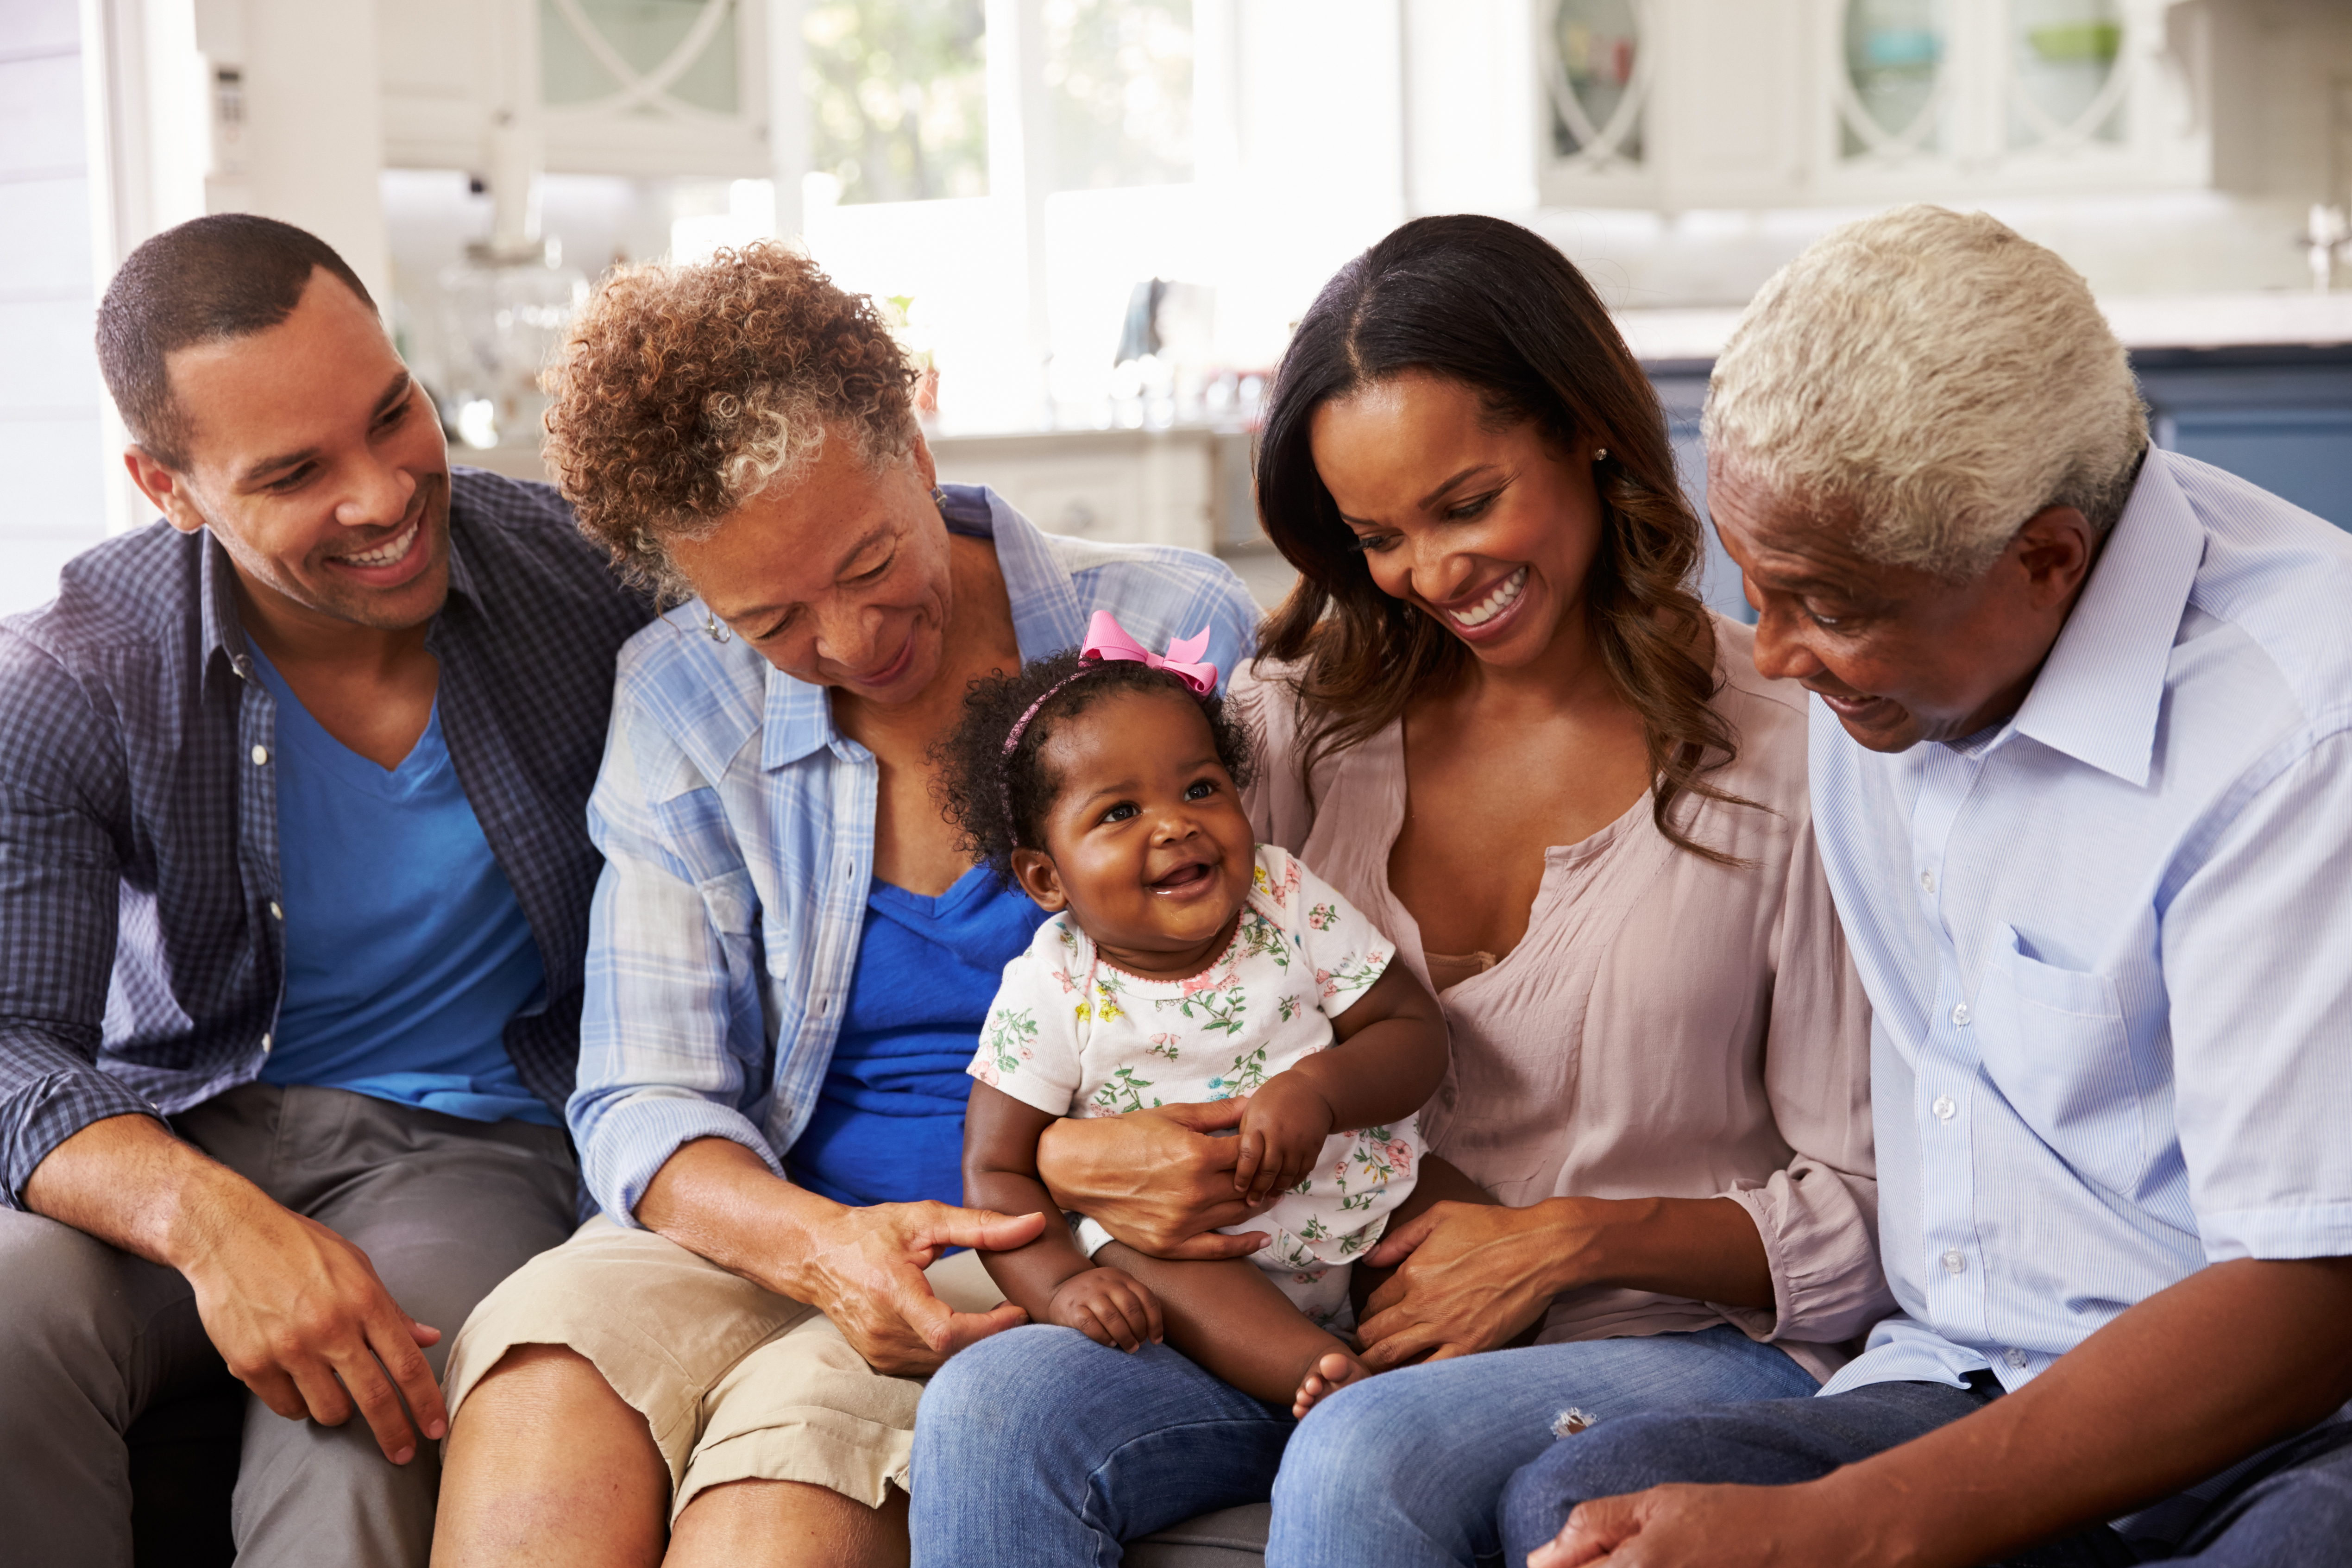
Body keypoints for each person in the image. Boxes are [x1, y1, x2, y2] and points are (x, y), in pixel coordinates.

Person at [909, 214, 1887, 1567]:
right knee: (990, 1406)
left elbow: (1874, 1203)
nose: (1431, 574)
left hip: (1670, 1345)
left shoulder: (1788, 753)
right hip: (1322, 1321)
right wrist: (1072, 1157)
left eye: (1466, 503)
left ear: (1585, 429)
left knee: (1368, 1452)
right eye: (1377, 533)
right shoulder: (1291, 728)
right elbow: (1113, 1009)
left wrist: (1556, 1244)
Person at [1509, 205, 2352, 1568]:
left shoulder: (2297, 733)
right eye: (1752, 581)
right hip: (1963, 1370)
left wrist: (1844, 1534)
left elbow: (2311, 1297)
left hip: (2287, 1417)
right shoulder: (1887, 682)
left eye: (1825, 604)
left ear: (2044, 560)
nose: (1772, 654)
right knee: (1588, 1515)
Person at [428, 243, 1259, 1568]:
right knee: (543, 1384)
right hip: (767, 1218)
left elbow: (1287, 999)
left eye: (869, 560)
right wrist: (821, 1248)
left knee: (769, 1507)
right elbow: (645, 1094)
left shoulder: (1169, 629)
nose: (855, 640)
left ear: (915, 442)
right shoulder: (680, 695)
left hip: (1038, 1244)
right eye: (773, 620)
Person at [0, 214, 654, 1567]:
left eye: (392, 412)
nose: (384, 494)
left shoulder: (587, 590)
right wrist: (211, 1222)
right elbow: (10, 1041)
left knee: (362, 1418)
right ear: (168, 487)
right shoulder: (74, 678)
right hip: (181, 1127)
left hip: (469, 1149)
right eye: (296, 472)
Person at [941, 621, 1448, 1415]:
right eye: (1118, 812)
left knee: (1464, 1223)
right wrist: (1066, 1285)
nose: (1174, 824)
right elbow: (994, 1172)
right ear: (1046, 876)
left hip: (1361, 1188)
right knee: (1161, 1267)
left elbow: (1412, 1033)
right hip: (1194, 1252)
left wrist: (1321, 1089)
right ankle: (1321, 1377)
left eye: (1200, 789)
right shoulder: (1053, 983)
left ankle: (1432, 1382)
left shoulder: (1281, 895)